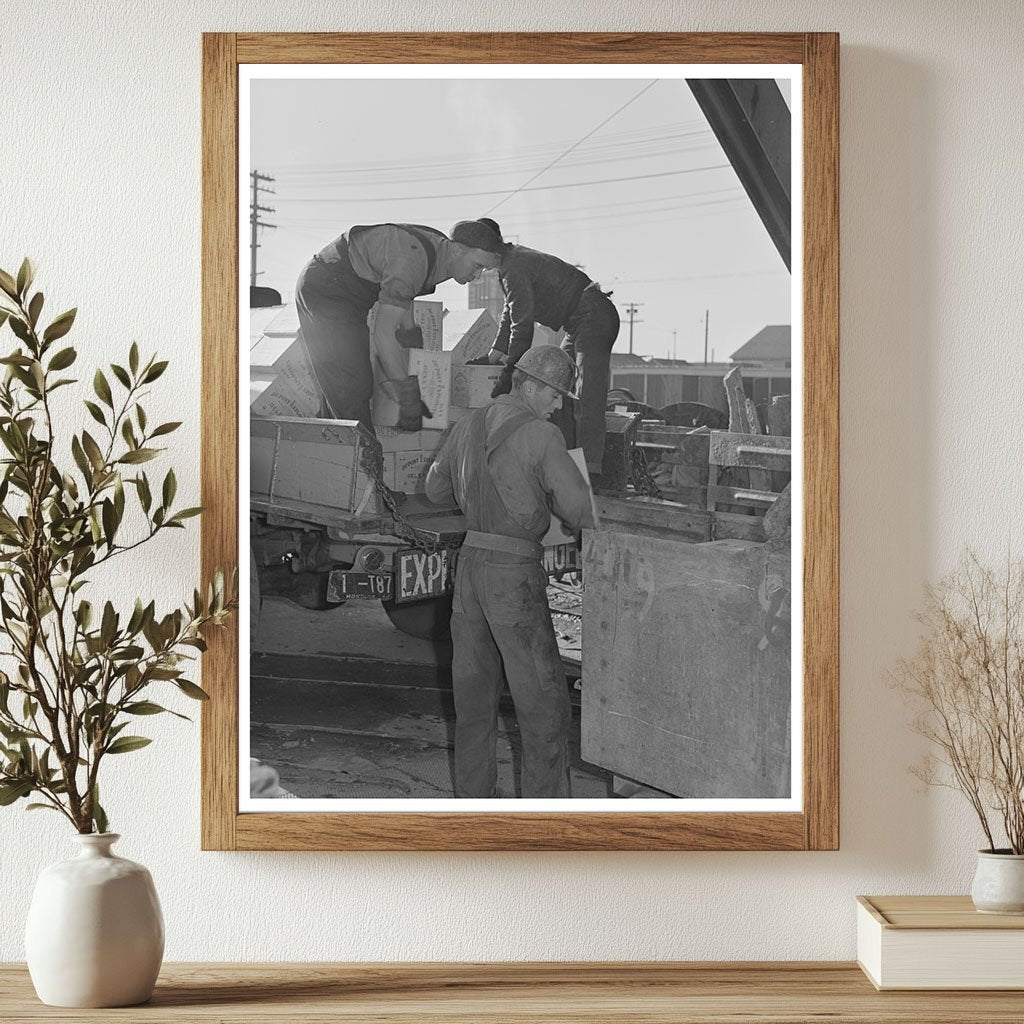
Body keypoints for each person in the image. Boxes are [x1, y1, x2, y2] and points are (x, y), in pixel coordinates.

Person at [425, 346, 596, 798]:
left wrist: (477, 490)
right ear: (532, 386)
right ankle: (546, 825)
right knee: (544, 708)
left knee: (474, 705)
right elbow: (578, 509)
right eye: (556, 395)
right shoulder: (541, 435)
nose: (558, 406)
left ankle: (474, 809)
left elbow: (434, 488)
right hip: (512, 577)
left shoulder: (467, 426)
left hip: (469, 574)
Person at [295, 221, 504, 431]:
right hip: (325, 289)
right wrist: (408, 396)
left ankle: (327, 449)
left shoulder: (436, 249)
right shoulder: (414, 260)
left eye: (484, 269)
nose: (477, 276)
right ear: (458, 249)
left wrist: (410, 334)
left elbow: (407, 290)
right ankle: (364, 459)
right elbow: (383, 334)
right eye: (477, 266)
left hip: (346, 296)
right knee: (351, 384)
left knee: (344, 382)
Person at [466, 218, 620, 480]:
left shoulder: (514, 266)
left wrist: (508, 376)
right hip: (578, 322)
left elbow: (522, 327)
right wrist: (493, 355)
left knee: (587, 396)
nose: (477, 268)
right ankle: (565, 456)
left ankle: (590, 471)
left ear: (489, 249)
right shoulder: (510, 263)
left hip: (593, 318)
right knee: (554, 384)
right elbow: (510, 314)